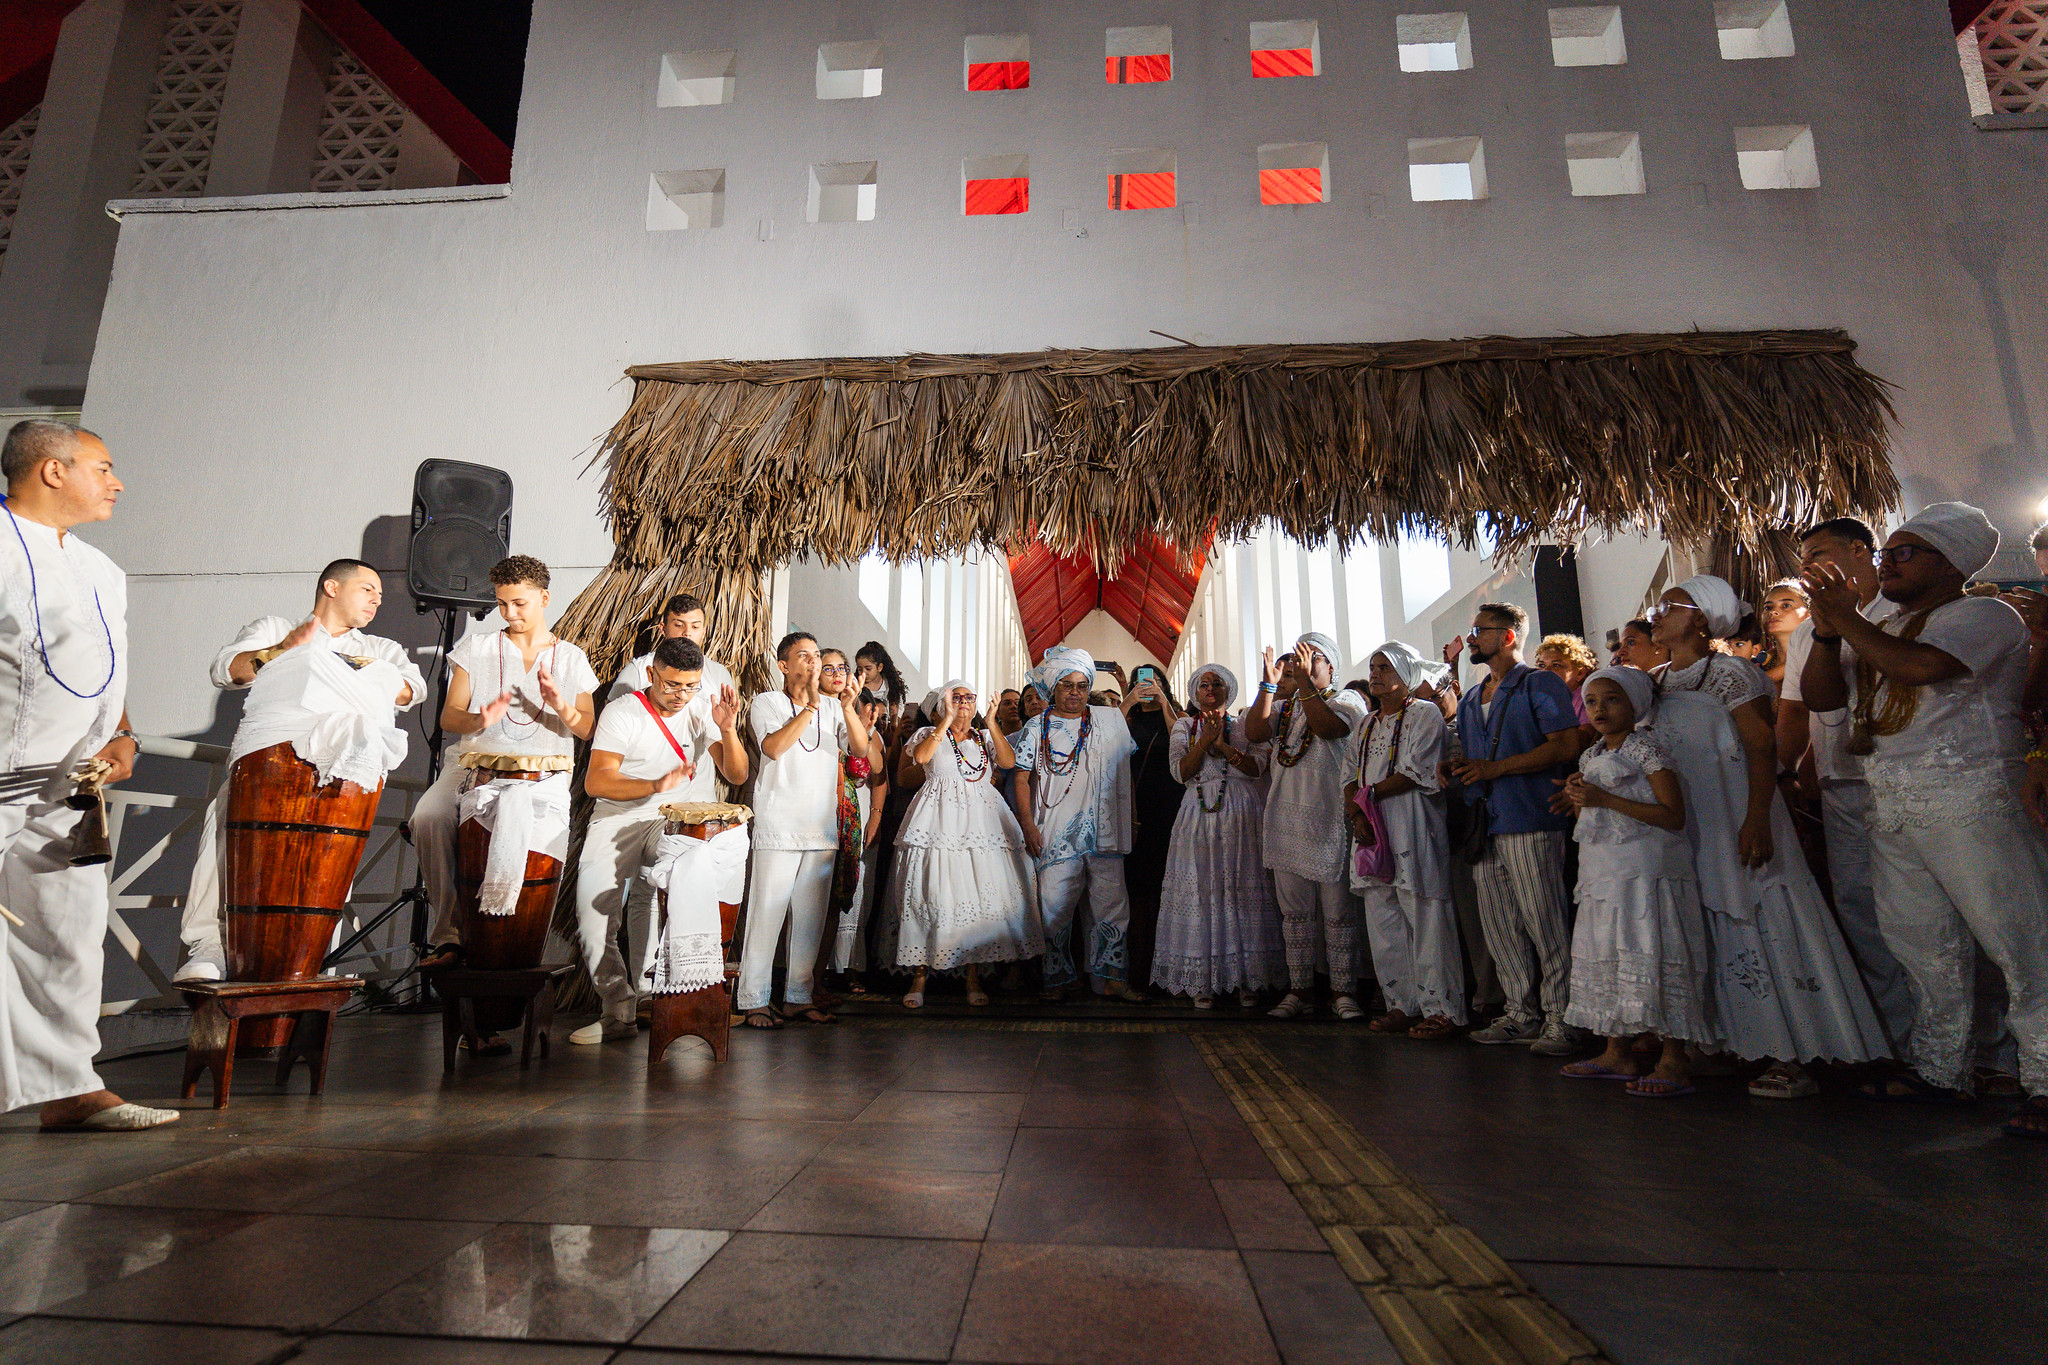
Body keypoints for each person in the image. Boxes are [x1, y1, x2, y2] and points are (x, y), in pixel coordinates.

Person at [1802, 504, 2048, 1137]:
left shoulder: (1983, 615)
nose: (1887, 563)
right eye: (1887, 553)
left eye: (1904, 553)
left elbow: (1923, 667)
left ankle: (2045, 1080)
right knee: (1922, 945)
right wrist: (1827, 634)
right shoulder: (1883, 624)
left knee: (2020, 941)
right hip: (1893, 802)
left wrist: (1847, 619)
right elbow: (1825, 700)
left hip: (1974, 798)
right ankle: (1942, 1071)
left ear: (1951, 563)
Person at [1648, 574, 1889, 1098]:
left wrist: (1758, 816)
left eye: (1669, 607)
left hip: (1736, 807)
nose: (1656, 616)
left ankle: (1792, 1052)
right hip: (1692, 821)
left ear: (1700, 619)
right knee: (1704, 918)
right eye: (1656, 609)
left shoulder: (1731, 673)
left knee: (1762, 910)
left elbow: (1761, 745)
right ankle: (1730, 1039)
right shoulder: (1656, 680)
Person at [1, 419, 173, 1130]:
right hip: (4, 771)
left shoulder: (102, 567)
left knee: (68, 934)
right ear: (52, 469)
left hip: (71, 786)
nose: (117, 482)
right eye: (102, 468)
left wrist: (123, 732)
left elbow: (107, 665)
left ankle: (67, 1087)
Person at [175, 558, 427, 982]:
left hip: (343, 766)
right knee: (228, 841)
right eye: (368, 589)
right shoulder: (276, 628)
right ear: (332, 587)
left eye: (380, 595)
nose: (377, 601)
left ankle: (309, 958)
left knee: (327, 856)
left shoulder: (382, 649)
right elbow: (226, 670)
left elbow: (410, 690)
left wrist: (350, 669)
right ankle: (211, 948)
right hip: (270, 757)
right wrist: (285, 650)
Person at [1775, 518, 1914, 1054]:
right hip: (1840, 781)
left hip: (1902, 778)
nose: (1806, 566)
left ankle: (1970, 1043)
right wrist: (1784, 772)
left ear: (1860, 551)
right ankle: (1897, 1042)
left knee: (1920, 910)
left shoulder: (1900, 613)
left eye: (1817, 553)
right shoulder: (1808, 630)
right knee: (1860, 911)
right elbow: (1795, 710)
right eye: (1803, 559)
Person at [419, 557, 598, 968]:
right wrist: (480, 719)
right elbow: (449, 717)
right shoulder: (477, 648)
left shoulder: (571, 658)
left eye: (519, 603)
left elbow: (587, 728)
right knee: (428, 818)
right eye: (502, 603)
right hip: (472, 764)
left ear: (544, 598)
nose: (509, 613)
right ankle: (449, 936)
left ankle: (515, 948)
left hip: (544, 774)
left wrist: (560, 705)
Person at [575, 637, 748, 1043]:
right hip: (616, 819)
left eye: (690, 686)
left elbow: (736, 774)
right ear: (652, 674)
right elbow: (596, 781)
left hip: (669, 821)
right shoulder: (623, 711)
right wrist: (654, 784)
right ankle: (618, 1008)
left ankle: (683, 999)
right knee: (592, 921)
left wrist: (727, 729)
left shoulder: (701, 709)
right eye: (671, 685)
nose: (680, 695)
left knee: (693, 883)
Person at [1553, 667, 1709, 1097]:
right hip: (1604, 871)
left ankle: (1674, 1058)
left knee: (1655, 945)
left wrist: (1604, 798)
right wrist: (1579, 797)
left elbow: (1673, 815)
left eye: (1612, 699)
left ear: (1635, 703)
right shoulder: (1590, 755)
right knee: (1607, 950)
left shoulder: (1647, 748)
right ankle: (1615, 1050)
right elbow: (1590, 817)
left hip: (1647, 871)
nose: (1599, 709)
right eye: (1591, 701)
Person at [1450, 604, 1585, 1055]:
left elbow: (1565, 745)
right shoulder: (1472, 697)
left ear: (1508, 636)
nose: (1471, 638)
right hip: (1484, 825)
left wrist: (1496, 768)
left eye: (1479, 630)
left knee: (1545, 921)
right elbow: (1475, 758)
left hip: (1529, 818)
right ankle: (1520, 1013)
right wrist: (1457, 767)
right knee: (1500, 926)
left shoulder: (1539, 684)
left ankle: (1563, 1018)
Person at [736, 630, 871, 1028]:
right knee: (767, 914)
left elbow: (860, 749)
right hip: (779, 824)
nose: (814, 662)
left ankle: (797, 996)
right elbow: (773, 748)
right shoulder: (768, 702)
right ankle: (754, 999)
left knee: (810, 921)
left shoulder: (833, 707)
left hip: (820, 826)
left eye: (817, 655)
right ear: (784, 665)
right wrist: (810, 707)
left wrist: (848, 708)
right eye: (805, 656)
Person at [890, 679, 1043, 1007]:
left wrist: (990, 722)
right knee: (930, 894)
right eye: (955, 697)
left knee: (975, 899)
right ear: (940, 706)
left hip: (982, 825)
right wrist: (945, 720)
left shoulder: (983, 736)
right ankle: (919, 978)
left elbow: (1007, 762)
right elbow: (921, 758)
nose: (963, 702)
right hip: (938, 822)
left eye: (969, 697)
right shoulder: (928, 733)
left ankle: (973, 979)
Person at [1245, 632, 1370, 1020]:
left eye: (1311, 658)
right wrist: (1268, 685)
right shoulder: (1286, 707)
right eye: (1297, 659)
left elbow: (1330, 729)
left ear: (1331, 667)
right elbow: (1254, 733)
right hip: (1286, 820)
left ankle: (1342, 992)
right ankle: (1299, 990)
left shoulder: (1347, 700)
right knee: (1295, 915)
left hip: (1330, 820)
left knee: (1337, 913)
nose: (1300, 664)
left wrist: (1301, 683)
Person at [1011, 647, 1143, 1002]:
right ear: (1053, 688)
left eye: (1082, 686)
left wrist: (1131, 816)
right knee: (1054, 908)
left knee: (1113, 906)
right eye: (1067, 685)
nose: (1075, 692)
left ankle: (1111, 979)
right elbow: (1021, 778)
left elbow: (1124, 770)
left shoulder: (1107, 720)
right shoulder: (1036, 726)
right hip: (1054, 831)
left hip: (1105, 830)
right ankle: (1056, 979)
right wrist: (1028, 825)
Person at [1346, 642, 1464, 1039]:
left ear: (1407, 674)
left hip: (1412, 825)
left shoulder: (1425, 713)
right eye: (1373, 666)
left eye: (1386, 667)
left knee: (1426, 917)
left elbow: (1416, 771)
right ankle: (1401, 1004)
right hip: (1371, 830)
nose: (1375, 674)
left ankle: (1443, 1009)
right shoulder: (1365, 723)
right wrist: (1357, 814)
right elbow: (1348, 774)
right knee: (1384, 922)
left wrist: (1365, 801)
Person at [1151, 663, 1281, 1008]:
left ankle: (1245, 977)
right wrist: (1204, 742)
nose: (1210, 690)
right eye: (1204, 685)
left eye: (1217, 684)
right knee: (1202, 890)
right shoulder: (1184, 726)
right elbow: (1180, 772)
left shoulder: (1246, 725)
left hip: (1241, 814)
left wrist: (1222, 746)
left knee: (1240, 890)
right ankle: (1203, 979)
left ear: (1229, 691)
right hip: (1198, 813)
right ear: (1195, 693)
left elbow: (1256, 768)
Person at [819, 647, 885, 988]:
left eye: (841, 669)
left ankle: (845, 969)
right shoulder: (823, 717)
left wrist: (875, 818)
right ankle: (811, 974)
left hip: (852, 815)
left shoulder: (863, 732)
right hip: (820, 811)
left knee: (849, 896)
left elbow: (875, 775)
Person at [1121, 663, 1184, 990]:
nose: (1148, 685)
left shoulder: (1177, 716)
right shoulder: (1128, 719)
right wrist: (1129, 700)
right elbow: (1106, 738)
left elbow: (1181, 743)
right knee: (1137, 892)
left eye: (1155, 680)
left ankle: (1168, 967)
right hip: (1134, 809)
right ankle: (1139, 968)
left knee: (1165, 888)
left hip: (1168, 808)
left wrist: (1164, 703)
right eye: (1141, 681)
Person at [605, 592, 735, 711]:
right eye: (678, 625)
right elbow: (613, 713)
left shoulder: (718, 673)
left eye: (695, 626)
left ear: (703, 632)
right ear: (663, 628)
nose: (687, 632)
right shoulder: (638, 670)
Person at [1756, 579, 1810, 691]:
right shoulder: (1759, 662)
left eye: (1786, 605)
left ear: (1809, 614)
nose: (1773, 612)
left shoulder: (1820, 660)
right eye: (1768, 607)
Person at [1535, 634, 1598, 725]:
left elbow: (1586, 732)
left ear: (1580, 673)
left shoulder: (1585, 699)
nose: (1545, 671)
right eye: (1541, 665)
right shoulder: (1539, 700)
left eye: (1556, 665)